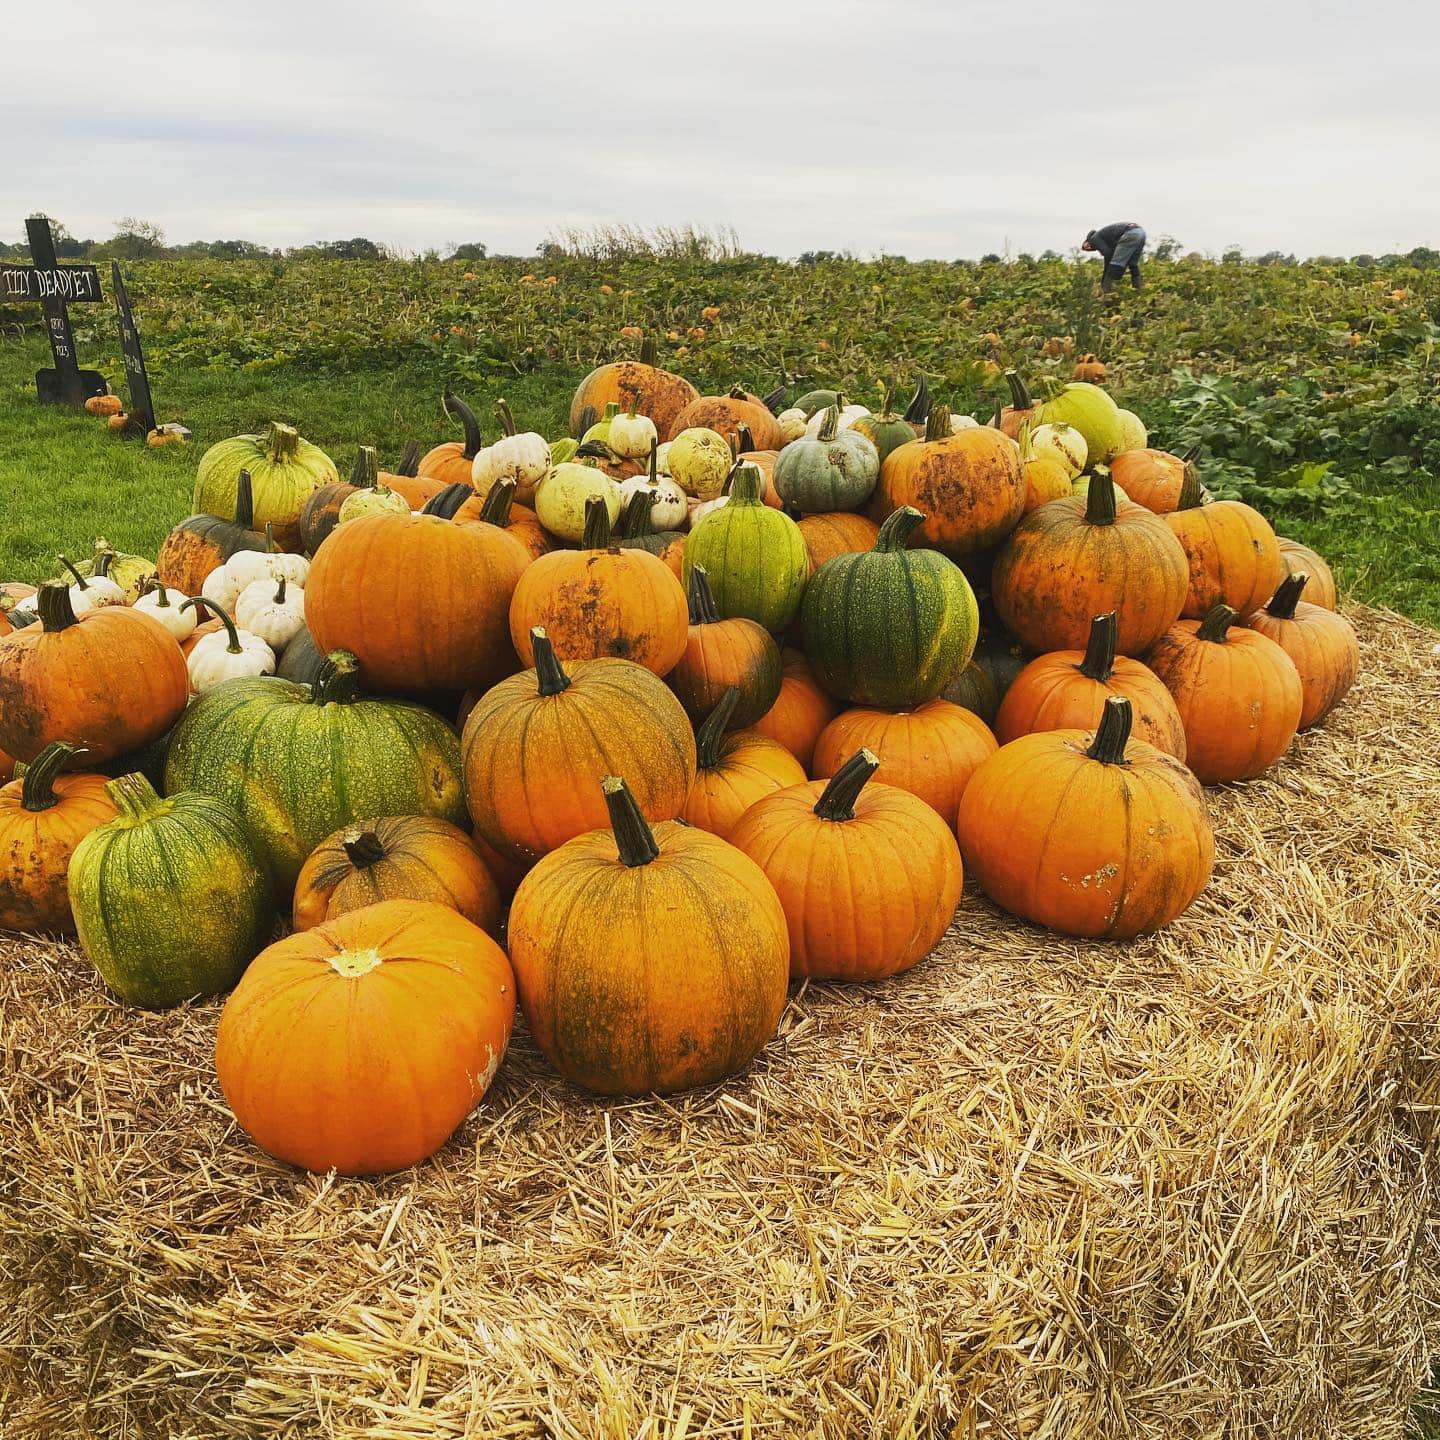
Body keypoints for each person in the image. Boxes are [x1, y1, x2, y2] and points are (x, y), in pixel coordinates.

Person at [1082, 221, 1146, 292]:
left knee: (1116, 264)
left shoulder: (1094, 238)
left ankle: (1106, 292)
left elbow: (1108, 256)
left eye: (1086, 245)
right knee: (1132, 264)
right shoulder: (1107, 239)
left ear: (1086, 240)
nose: (1088, 247)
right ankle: (1139, 291)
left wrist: (1104, 280)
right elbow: (1109, 255)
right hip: (1141, 233)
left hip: (1130, 233)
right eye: (1088, 249)